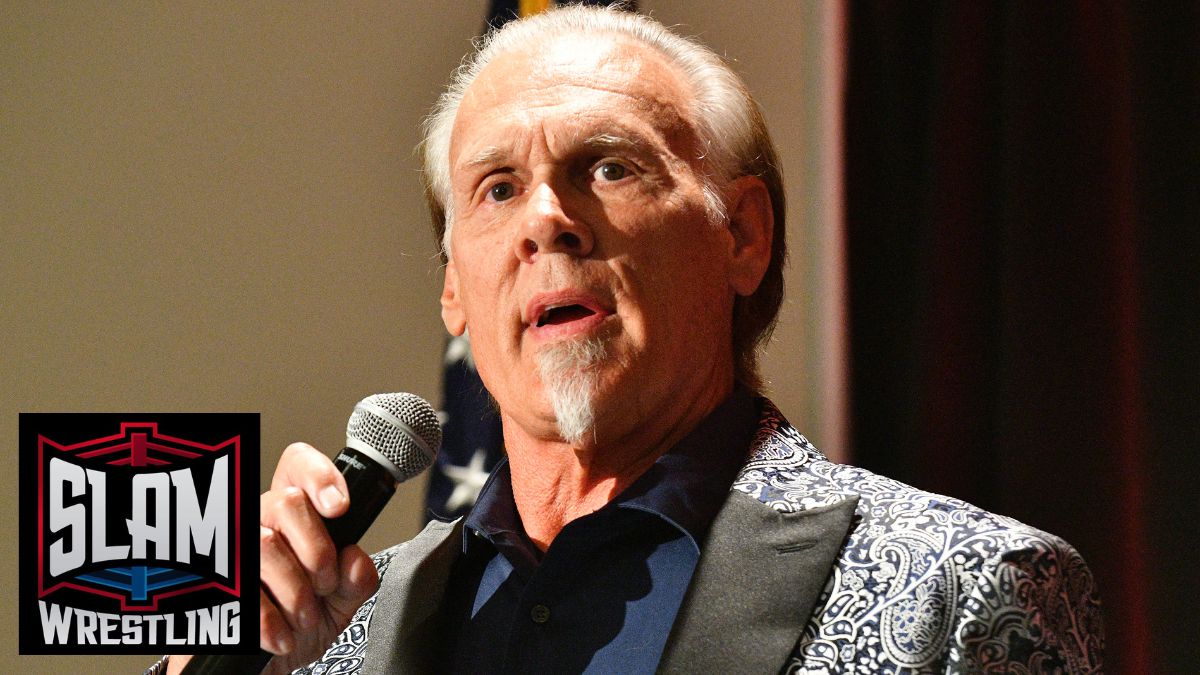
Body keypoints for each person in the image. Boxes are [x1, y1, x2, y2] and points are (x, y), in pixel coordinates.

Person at [161, 6, 1103, 674]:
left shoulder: (961, 593)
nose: (546, 222)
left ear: (742, 235)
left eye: (607, 167)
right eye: (495, 188)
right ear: (453, 286)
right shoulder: (337, 640)